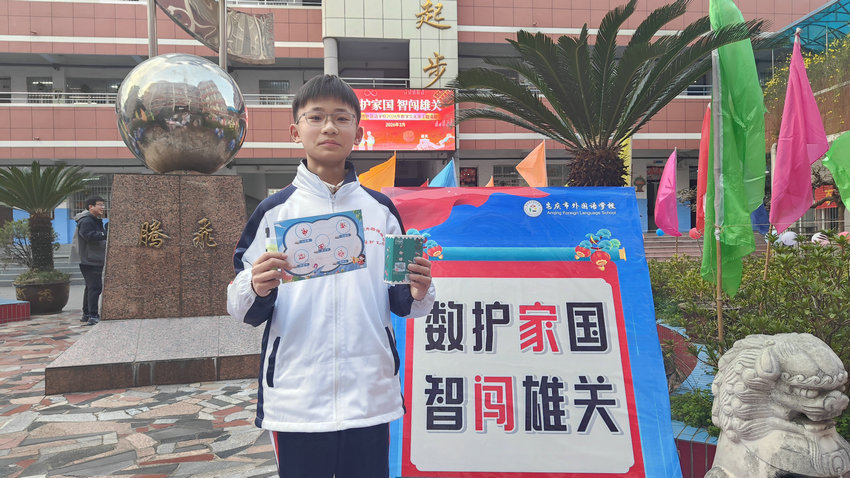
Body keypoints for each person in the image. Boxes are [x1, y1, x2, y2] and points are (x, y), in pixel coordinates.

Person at [227, 75, 435, 478]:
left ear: (359, 132)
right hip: (298, 396)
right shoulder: (273, 213)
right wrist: (255, 285)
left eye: (341, 118)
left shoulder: (381, 212)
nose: (329, 128)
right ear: (295, 131)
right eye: (316, 117)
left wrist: (419, 290)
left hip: (369, 392)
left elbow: (402, 301)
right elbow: (241, 307)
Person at [72, 196, 108, 326]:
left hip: (92, 258)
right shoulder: (87, 221)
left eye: (103, 205)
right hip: (90, 259)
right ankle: (93, 316)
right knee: (95, 287)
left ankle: (87, 314)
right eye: (100, 204)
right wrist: (106, 234)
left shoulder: (93, 220)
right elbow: (88, 236)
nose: (103, 207)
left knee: (90, 287)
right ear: (91, 207)